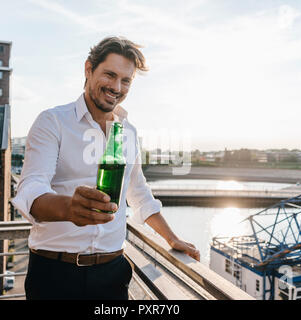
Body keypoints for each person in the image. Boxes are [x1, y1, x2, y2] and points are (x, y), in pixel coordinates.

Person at [12, 36, 200, 300]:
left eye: (126, 80)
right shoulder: (52, 121)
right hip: (55, 275)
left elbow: (140, 194)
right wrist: (69, 208)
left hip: (112, 276)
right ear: (88, 69)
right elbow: (31, 188)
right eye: (110, 75)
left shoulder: (129, 133)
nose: (117, 87)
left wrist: (172, 238)